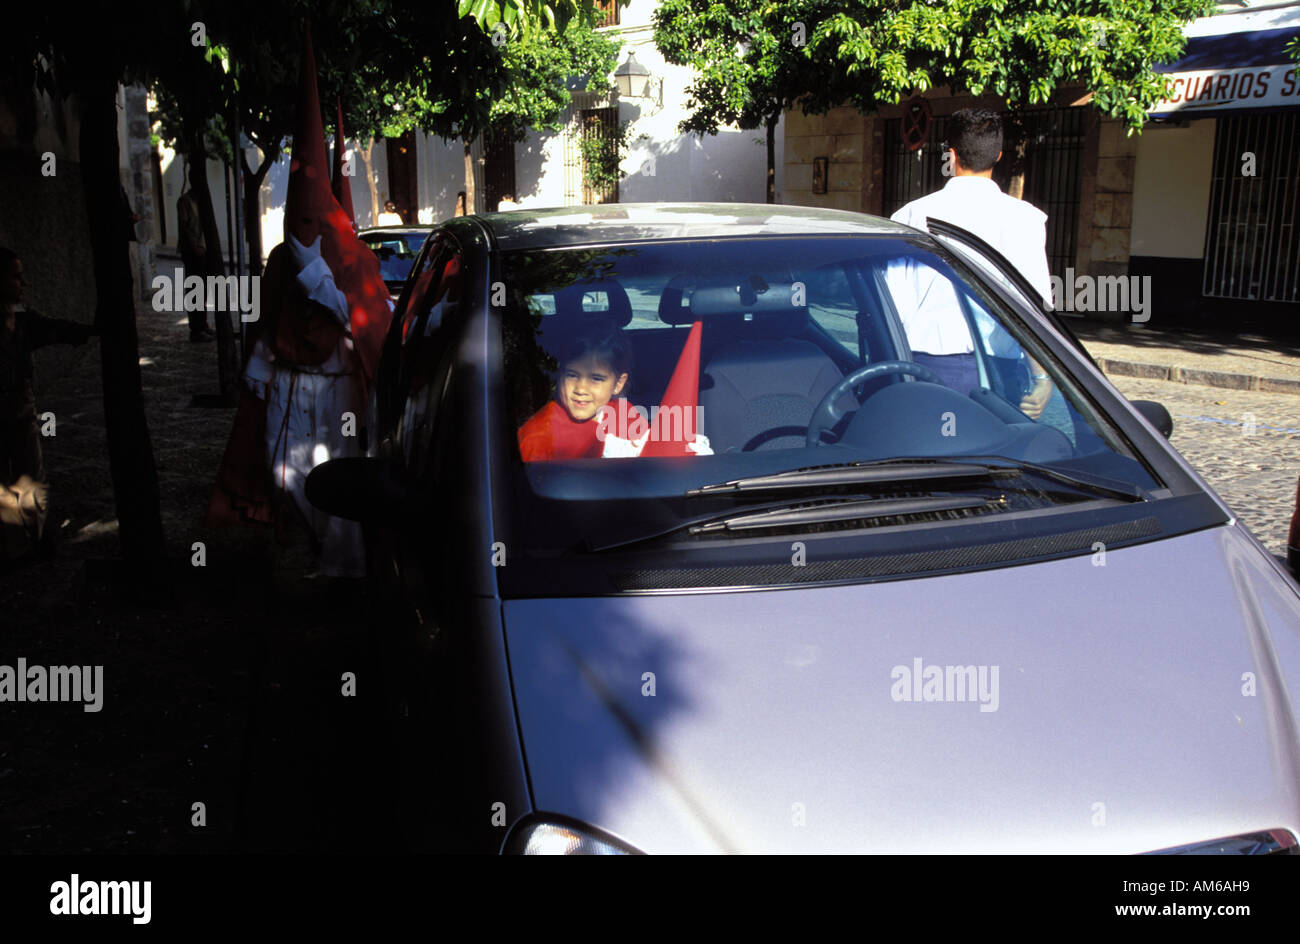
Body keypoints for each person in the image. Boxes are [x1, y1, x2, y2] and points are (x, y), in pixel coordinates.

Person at [887, 107, 1055, 420]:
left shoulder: (911, 216)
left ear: (951, 154)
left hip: (928, 367)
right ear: (999, 156)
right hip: (1003, 370)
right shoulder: (1026, 219)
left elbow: (892, 306)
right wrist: (1043, 378)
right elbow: (1033, 306)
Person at [0, 247, 94, 561]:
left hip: (21, 405)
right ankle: (13, 543)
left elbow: (56, 329)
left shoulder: (23, 320)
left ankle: (31, 539)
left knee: (31, 474)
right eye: (15, 276)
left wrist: (88, 330)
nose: (23, 282)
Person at [176, 163, 215, 342]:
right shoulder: (185, 201)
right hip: (193, 252)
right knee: (194, 289)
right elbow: (184, 228)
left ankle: (202, 324)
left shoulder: (202, 200)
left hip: (204, 250)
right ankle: (196, 329)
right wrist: (195, 247)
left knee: (203, 289)